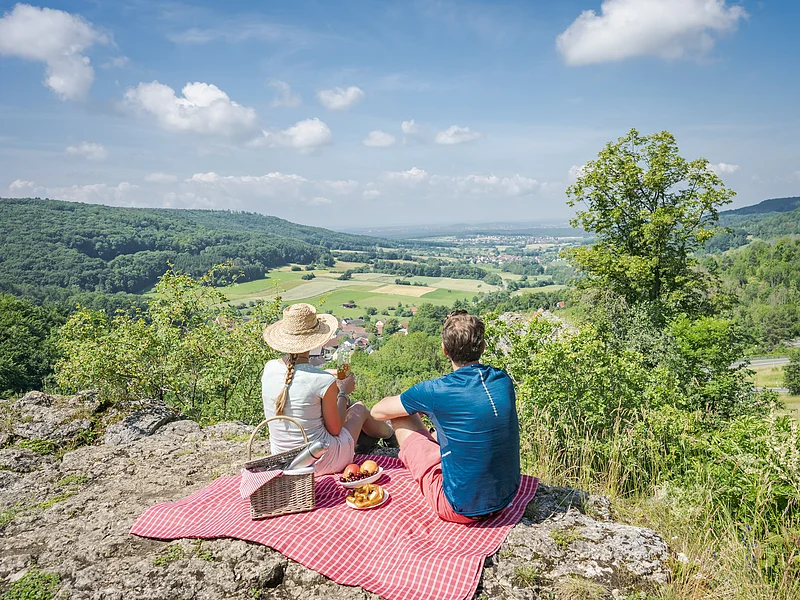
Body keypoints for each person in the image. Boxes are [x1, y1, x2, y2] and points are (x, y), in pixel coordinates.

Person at [371, 310, 520, 523]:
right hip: (506, 499)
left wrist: (420, 406)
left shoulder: (436, 390)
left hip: (459, 507)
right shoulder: (502, 380)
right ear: (483, 347)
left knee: (400, 416)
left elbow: (378, 411)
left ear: (444, 350)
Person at [261, 303, 392, 475]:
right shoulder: (323, 381)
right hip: (319, 461)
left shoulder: (269, 368)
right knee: (359, 408)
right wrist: (344, 392)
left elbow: (298, 380)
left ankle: (371, 440)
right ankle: (392, 438)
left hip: (283, 459)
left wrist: (326, 375)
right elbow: (335, 429)